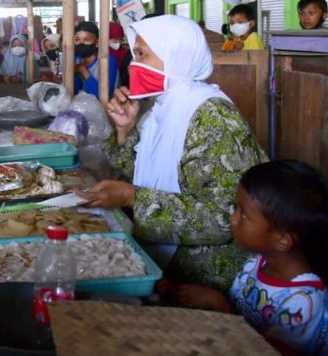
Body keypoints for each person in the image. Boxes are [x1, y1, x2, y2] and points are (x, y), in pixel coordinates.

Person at [75, 15, 266, 290]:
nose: (134, 64)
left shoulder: (212, 118)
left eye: (142, 54)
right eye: (134, 54)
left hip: (209, 280)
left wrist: (133, 198)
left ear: (176, 57)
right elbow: (136, 173)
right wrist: (124, 129)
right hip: (168, 268)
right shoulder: (161, 108)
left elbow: (224, 218)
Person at [172, 161, 328, 354]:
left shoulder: (304, 302)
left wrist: (221, 306)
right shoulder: (256, 264)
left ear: (281, 240)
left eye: (244, 215)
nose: (233, 218)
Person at [73, 21, 117, 98]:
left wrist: (82, 70)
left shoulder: (108, 61)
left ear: (97, 42)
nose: (81, 43)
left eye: (86, 39)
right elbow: (74, 91)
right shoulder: (76, 59)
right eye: (77, 40)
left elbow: (104, 96)